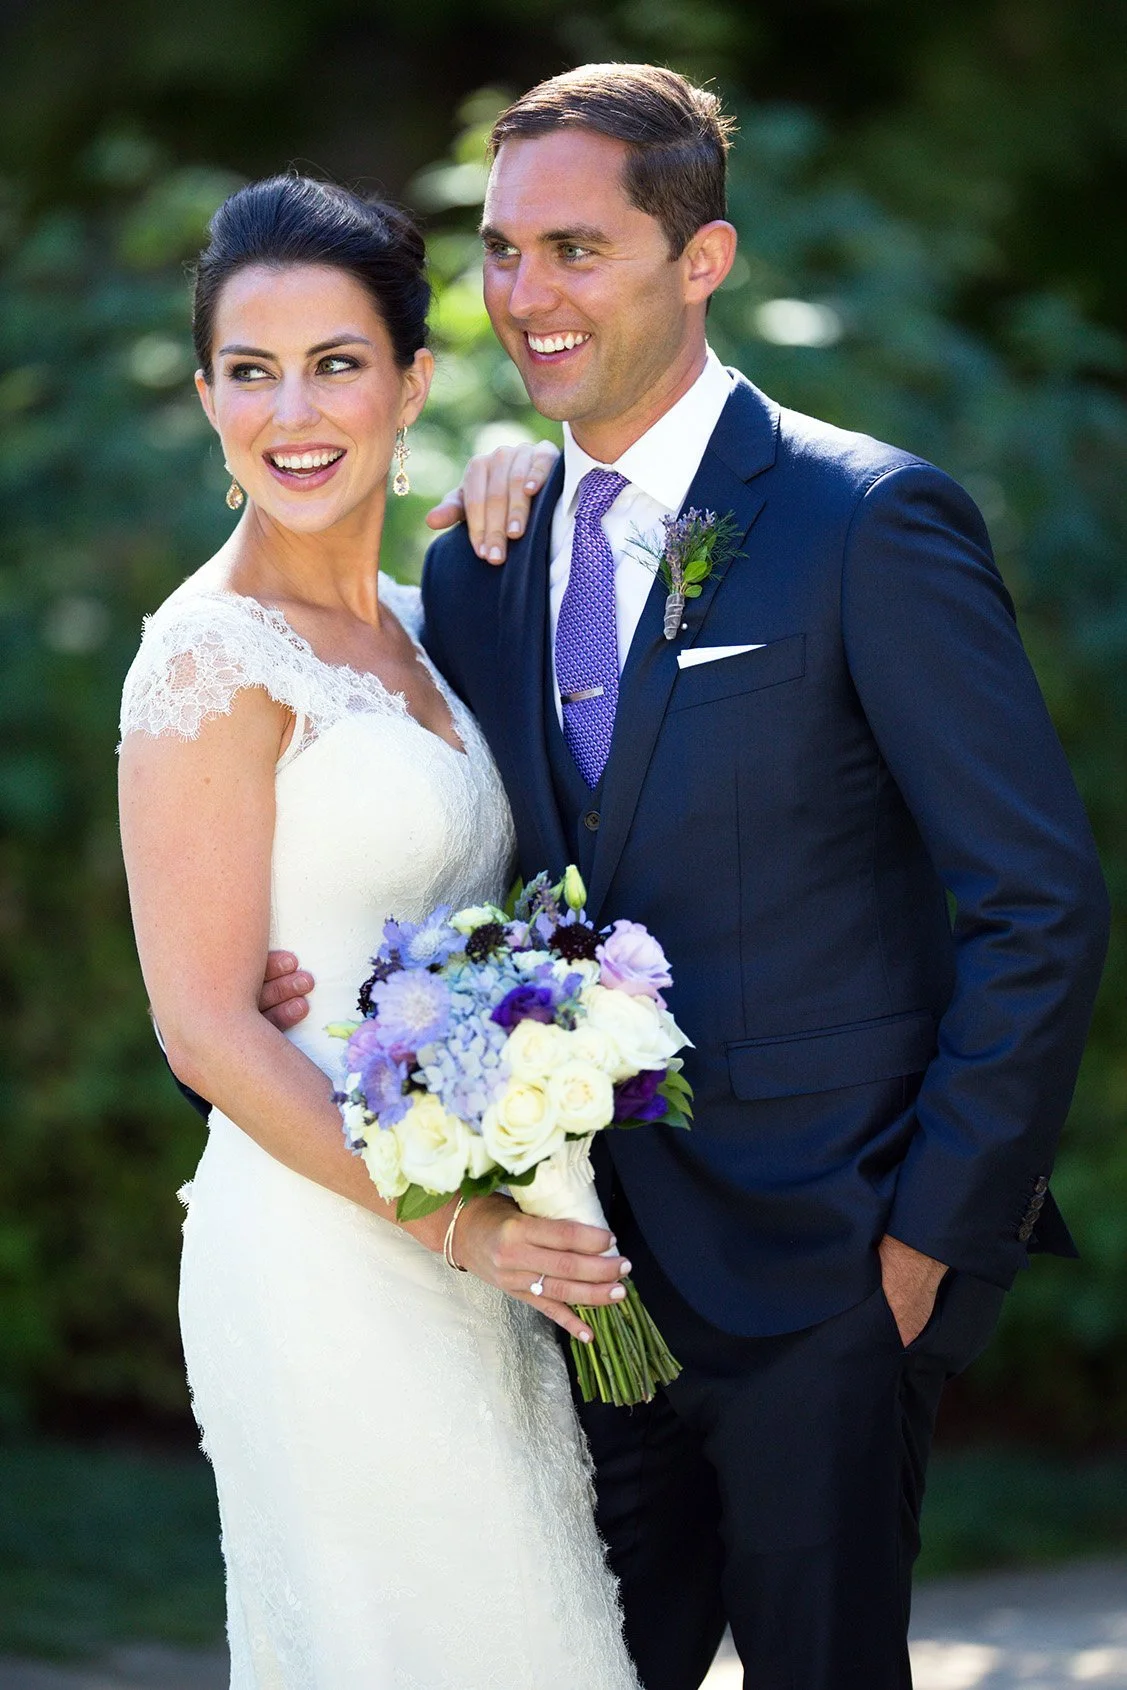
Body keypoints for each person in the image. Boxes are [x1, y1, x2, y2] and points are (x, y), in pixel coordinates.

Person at [262, 63, 1110, 1690]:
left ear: (699, 260)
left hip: (831, 1277)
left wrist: (929, 1237)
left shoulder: (865, 519)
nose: (526, 293)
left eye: (575, 249)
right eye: (501, 252)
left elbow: (1036, 900)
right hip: (572, 1288)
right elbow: (463, 862)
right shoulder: (481, 559)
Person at [117, 174, 642, 1690]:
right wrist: (459, 1223)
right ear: (208, 390)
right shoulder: (206, 655)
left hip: (474, 1251)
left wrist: (515, 462)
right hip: (324, 1257)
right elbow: (207, 1023)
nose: (293, 410)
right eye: (249, 368)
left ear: (411, 379)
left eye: (338, 363)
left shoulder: (430, 623)